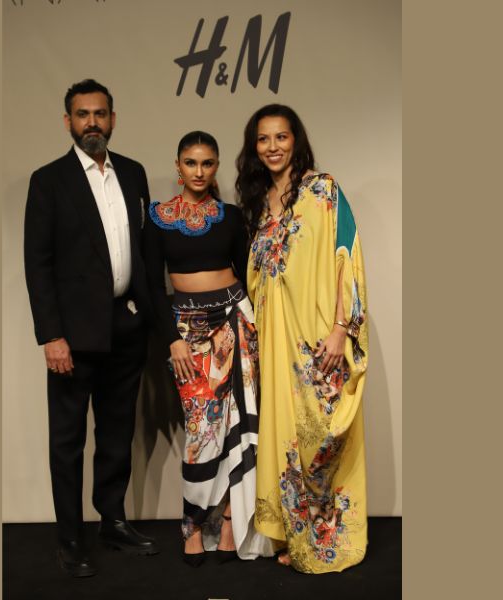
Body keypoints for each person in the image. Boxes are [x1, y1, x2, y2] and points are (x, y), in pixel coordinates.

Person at [24, 79, 158, 578]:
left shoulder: (133, 173)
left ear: (113, 119)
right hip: (72, 337)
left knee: (117, 433)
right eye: (82, 115)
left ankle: (112, 521)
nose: (92, 123)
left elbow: (143, 252)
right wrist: (50, 336)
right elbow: (38, 264)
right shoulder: (49, 181)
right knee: (68, 442)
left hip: (126, 327)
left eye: (100, 113)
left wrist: (147, 316)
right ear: (68, 122)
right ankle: (69, 537)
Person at [236, 104, 369, 574]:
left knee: (318, 439)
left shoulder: (324, 191)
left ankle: (325, 539)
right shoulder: (260, 203)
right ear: (254, 147)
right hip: (275, 341)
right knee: (284, 439)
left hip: (316, 341)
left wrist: (340, 330)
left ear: (296, 140)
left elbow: (347, 257)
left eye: (281, 137)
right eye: (263, 139)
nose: (273, 147)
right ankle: (293, 537)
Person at [143, 131, 273, 567]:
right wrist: (172, 339)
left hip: (237, 320)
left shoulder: (230, 216)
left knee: (242, 422)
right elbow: (151, 286)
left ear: (216, 167)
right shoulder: (158, 218)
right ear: (178, 166)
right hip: (188, 329)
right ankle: (194, 525)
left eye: (207, 163)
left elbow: (248, 272)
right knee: (201, 429)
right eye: (191, 162)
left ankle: (233, 520)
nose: (199, 171)